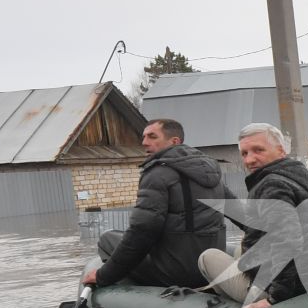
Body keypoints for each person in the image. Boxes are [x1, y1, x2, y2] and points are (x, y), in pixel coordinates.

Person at [83, 118, 225, 290]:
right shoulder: (210, 174)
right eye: (143, 137)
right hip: (211, 268)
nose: (144, 142)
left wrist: (103, 275)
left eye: (152, 137)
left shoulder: (157, 174)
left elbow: (140, 232)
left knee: (107, 239)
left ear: (174, 141)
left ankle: (128, 297)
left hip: (180, 273)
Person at [198, 122, 308, 308]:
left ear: (280, 150)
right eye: (245, 153)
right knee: (242, 248)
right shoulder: (301, 175)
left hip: (285, 286)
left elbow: (287, 241)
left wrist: (277, 297)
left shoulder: (271, 186)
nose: (250, 160)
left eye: (258, 150)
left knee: (207, 257)